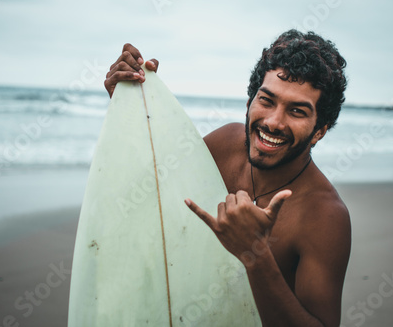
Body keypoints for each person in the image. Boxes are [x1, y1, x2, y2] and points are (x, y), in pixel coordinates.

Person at [105, 29, 351, 327]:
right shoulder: (224, 144)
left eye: (297, 111)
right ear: (249, 103)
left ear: (320, 130)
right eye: (267, 100)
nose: (273, 122)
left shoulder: (324, 216)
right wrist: (126, 105)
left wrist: (255, 253)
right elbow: (153, 195)